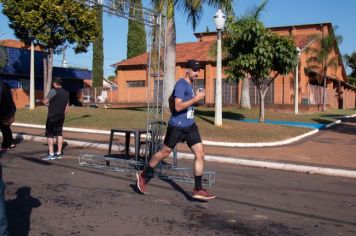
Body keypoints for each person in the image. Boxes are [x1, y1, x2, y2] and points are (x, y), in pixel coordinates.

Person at [136, 59, 215, 200]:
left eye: (198, 70)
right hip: (177, 126)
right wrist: (196, 98)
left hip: (190, 126)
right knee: (164, 152)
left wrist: (194, 97)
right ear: (187, 70)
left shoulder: (191, 84)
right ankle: (143, 175)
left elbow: (179, 102)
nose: (197, 73)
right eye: (194, 70)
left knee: (200, 154)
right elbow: (178, 107)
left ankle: (198, 189)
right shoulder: (181, 84)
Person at [41, 77, 69, 160]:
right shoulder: (66, 93)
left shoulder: (53, 91)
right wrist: (63, 115)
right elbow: (67, 106)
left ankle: (51, 154)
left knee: (50, 135)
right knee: (59, 134)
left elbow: (45, 101)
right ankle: (59, 153)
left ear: (54, 83)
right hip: (61, 116)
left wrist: (40, 101)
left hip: (52, 116)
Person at [0, 80, 16, 152]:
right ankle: (11, 142)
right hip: (10, 111)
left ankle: (6, 145)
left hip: (3, 113)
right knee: (7, 128)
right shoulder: (6, 88)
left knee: (4, 129)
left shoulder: (2, 93)